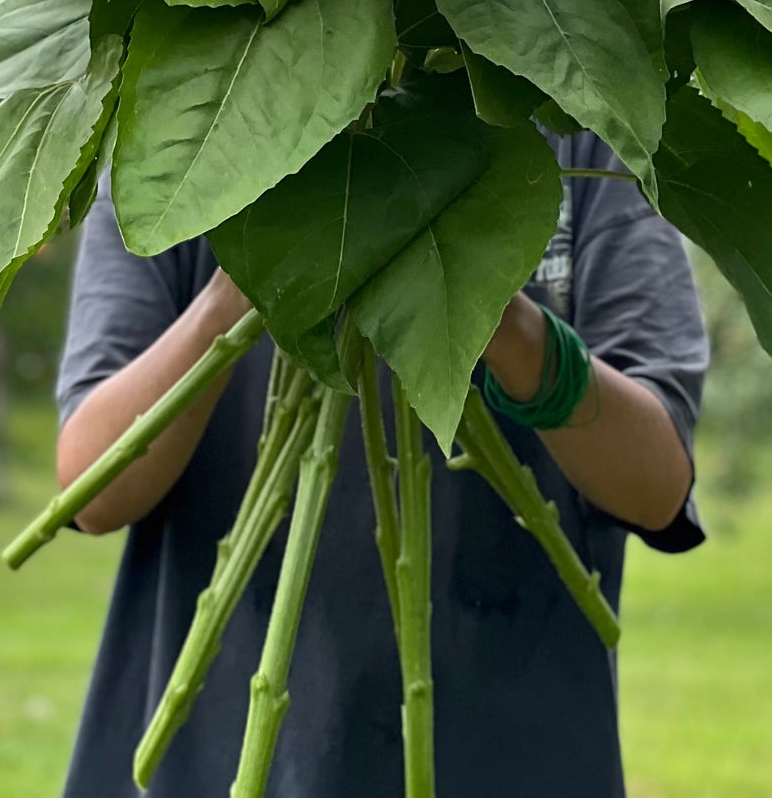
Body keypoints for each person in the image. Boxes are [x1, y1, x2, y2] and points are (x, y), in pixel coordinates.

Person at [54, 129, 708, 797]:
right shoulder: (192, 133)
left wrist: (499, 315)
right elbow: (93, 486)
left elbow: (654, 484)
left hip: (512, 749)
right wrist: (247, 279)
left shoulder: (587, 128)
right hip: (214, 751)